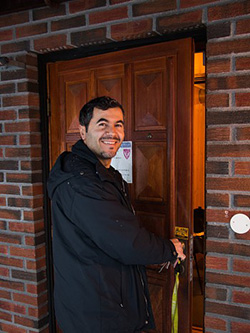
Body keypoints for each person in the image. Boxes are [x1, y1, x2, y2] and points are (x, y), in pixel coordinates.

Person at [47, 96, 185, 333]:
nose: (112, 132)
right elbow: (125, 241)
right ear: (82, 131)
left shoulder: (105, 174)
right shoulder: (82, 183)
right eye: (102, 124)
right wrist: (169, 249)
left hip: (105, 300)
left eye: (118, 124)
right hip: (96, 311)